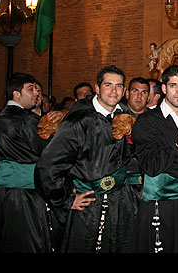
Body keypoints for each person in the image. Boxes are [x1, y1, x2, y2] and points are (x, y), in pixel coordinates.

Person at [35, 65, 138, 253]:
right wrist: (65, 199)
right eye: (108, 85)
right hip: (89, 206)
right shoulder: (78, 121)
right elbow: (48, 167)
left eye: (118, 86)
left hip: (122, 202)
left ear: (124, 91)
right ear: (97, 89)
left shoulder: (125, 116)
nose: (113, 91)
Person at [131, 65, 178, 253]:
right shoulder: (148, 120)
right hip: (159, 205)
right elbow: (151, 165)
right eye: (173, 85)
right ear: (164, 89)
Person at [0, 72, 53, 253]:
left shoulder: (3, 118)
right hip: (23, 195)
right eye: (30, 90)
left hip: (9, 194)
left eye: (37, 90)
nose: (35, 94)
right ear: (16, 94)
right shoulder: (23, 118)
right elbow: (49, 152)